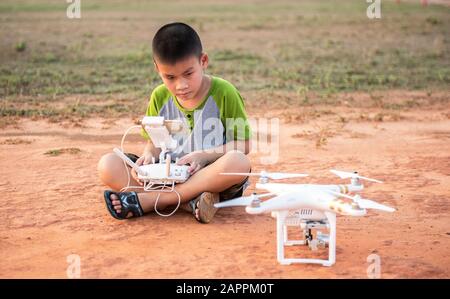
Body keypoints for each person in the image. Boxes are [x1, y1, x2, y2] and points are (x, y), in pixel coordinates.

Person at [98, 22, 252, 223]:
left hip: (209, 178)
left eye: (188, 73)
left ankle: (153, 201)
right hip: (166, 177)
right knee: (108, 165)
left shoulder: (224, 92)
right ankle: (189, 202)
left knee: (238, 162)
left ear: (203, 61)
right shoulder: (159, 96)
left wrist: (204, 156)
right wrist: (148, 155)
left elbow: (244, 145)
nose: (181, 85)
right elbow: (154, 142)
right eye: (170, 77)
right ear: (157, 69)